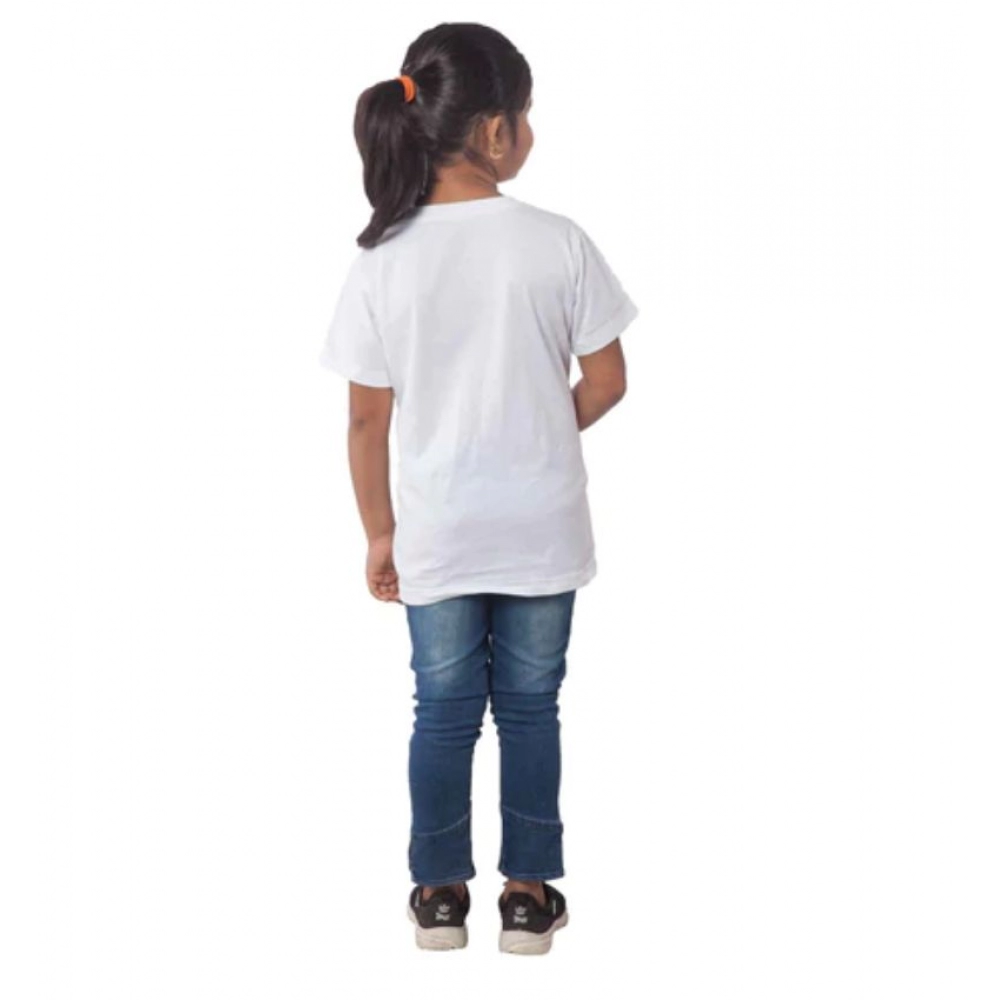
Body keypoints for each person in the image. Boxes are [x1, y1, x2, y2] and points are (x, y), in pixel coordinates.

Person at [318, 23, 639, 954]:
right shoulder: (558, 242)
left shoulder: (382, 260)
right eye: (527, 115)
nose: (530, 131)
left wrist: (380, 535)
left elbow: (366, 422)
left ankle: (438, 895)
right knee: (533, 710)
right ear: (497, 131)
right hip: (542, 529)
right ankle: (528, 897)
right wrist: (536, 429)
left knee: (443, 712)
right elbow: (608, 381)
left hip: (439, 533)